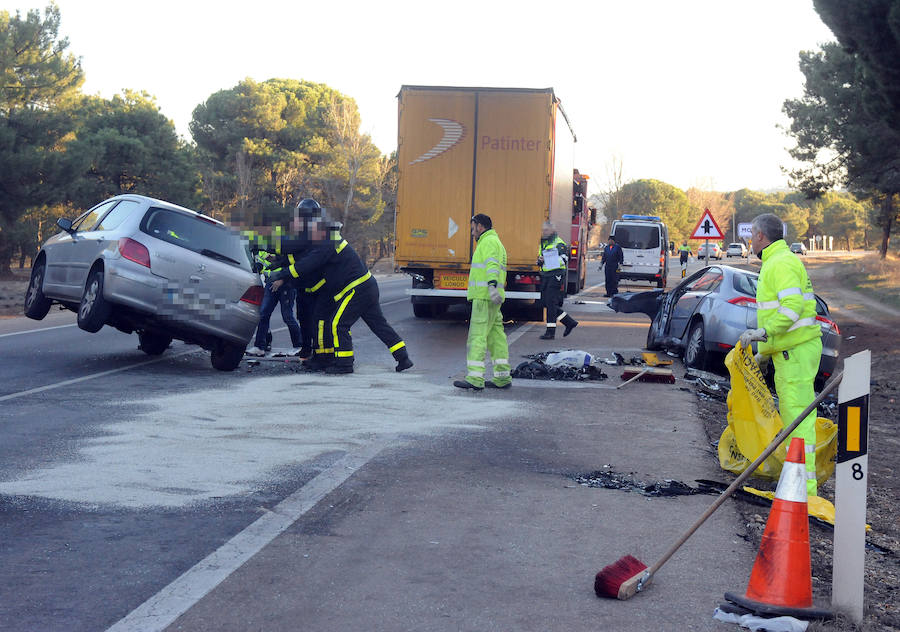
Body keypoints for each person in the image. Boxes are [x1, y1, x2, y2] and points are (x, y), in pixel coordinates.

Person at [269, 199, 413, 375]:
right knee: (378, 324)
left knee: (338, 324)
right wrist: (280, 262)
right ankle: (403, 357)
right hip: (365, 286)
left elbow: (309, 263)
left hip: (357, 288)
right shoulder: (324, 236)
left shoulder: (325, 239)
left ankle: (344, 364)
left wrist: (283, 274)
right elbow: (304, 254)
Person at [739, 213, 822, 496]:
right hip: (792, 349)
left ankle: (804, 489)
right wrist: (765, 351)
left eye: (752, 235)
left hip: (796, 350)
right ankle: (798, 482)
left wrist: (764, 334)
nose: (750, 241)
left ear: (761, 236)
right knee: (795, 418)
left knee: (798, 419)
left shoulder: (781, 263)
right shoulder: (778, 261)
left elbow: (791, 307)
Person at [454, 214, 511, 391]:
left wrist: (491, 286)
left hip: (484, 296)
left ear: (480, 226)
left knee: (477, 336)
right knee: (496, 337)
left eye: (473, 228)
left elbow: (492, 265)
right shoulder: (497, 242)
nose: (472, 233)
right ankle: (502, 377)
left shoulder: (487, 242)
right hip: (493, 298)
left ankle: (475, 378)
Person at [245, 242, 304, 357]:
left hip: (286, 284)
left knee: (287, 316)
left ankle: (299, 346)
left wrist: (282, 280)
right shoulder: (261, 245)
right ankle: (259, 347)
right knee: (264, 314)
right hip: (271, 282)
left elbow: (291, 263)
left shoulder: (285, 242)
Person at [537, 221, 578, 339]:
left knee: (550, 303)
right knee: (545, 302)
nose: (543, 232)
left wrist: (546, 260)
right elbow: (542, 257)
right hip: (546, 274)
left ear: (552, 231)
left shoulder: (559, 243)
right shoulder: (543, 243)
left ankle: (550, 332)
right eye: (542, 230)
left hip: (556, 275)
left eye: (546, 230)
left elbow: (564, 259)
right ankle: (569, 322)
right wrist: (539, 261)